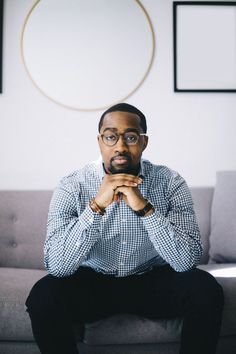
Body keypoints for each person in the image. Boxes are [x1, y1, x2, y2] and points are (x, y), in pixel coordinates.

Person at [26, 103, 224, 354]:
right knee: (43, 296)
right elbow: (57, 266)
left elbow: (186, 261)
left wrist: (144, 207)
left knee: (205, 290)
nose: (120, 146)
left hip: (152, 279)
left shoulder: (170, 182)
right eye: (111, 137)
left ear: (144, 142)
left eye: (130, 137)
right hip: (93, 283)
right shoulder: (71, 185)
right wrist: (97, 205)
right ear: (100, 141)